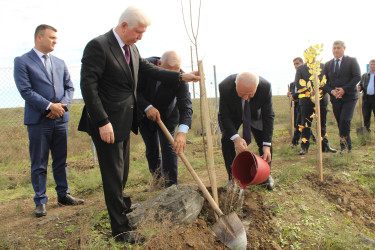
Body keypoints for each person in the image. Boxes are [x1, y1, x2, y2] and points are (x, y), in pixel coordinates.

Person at [78, 6, 200, 242]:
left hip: (123, 122)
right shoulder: (99, 46)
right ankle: (121, 230)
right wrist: (102, 121)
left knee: (122, 172)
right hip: (107, 124)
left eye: (143, 33)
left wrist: (181, 76)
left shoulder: (131, 48)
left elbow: (148, 69)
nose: (141, 37)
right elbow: (88, 86)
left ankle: (122, 207)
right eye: (138, 31)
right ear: (124, 26)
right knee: (113, 176)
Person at [13, 24, 84, 218]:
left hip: (61, 119)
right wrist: (48, 106)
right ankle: (41, 201)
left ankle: (64, 195)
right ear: (39, 37)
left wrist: (61, 106)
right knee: (39, 162)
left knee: (61, 160)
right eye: (52, 37)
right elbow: (25, 91)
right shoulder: (22, 61)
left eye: (56, 38)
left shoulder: (60, 62)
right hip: (39, 121)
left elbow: (70, 88)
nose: (55, 41)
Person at [137, 51, 192, 188]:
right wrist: (147, 107)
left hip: (168, 116)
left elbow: (185, 106)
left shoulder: (181, 78)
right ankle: (158, 180)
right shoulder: (144, 67)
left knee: (169, 148)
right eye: (169, 72)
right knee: (152, 148)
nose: (173, 77)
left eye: (177, 72)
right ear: (159, 64)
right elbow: (132, 91)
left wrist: (182, 132)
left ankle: (171, 185)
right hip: (144, 113)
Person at [218, 72, 275, 190]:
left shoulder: (265, 87)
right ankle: (232, 178)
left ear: (257, 87)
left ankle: (265, 175)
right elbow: (224, 115)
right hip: (232, 115)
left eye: (250, 94)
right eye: (241, 94)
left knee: (264, 140)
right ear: (235, 85)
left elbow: (268, 116)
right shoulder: (225, 86)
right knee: (226, 140)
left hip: (254, 114)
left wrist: (267, 145)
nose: (245, 98)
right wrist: (236, 138)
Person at [322, 41, 361, 153]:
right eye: (334, 48)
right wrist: (332, 91)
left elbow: (357, 77)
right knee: (340, 122)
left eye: (338, 48)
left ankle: (344, 147)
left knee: (345, 120)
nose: (336, 50)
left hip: (349, 97)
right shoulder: (328, 64)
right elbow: (323, 82)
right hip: (335, 98)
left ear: (344, 48)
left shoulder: (352, 61)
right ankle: (346, 145)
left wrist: (344, 89)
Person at [295, 56, 337, 155]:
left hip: (321, 100)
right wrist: (310, 92)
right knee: (305, 124)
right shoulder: (301, 68)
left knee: (322, 124)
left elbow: (328, 82)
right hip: (306, 101)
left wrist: (319, 92)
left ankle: (325, 146)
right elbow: (298, 83)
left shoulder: (323, 66)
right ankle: (304, 147)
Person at [288, 57, 303, 147]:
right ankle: (313, 138)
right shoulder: (293, 82)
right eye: (294, 64)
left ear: (302, 63)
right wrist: (291, 95)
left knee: (299, 122)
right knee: (299, 122)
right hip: (296, 104)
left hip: (303, 102)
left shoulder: (304, 75)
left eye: (297, 63)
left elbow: (304, 89)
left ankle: (294, 142)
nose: (296, 65)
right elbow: (293, 92)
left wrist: (295, 96)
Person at [358, 59, 375, 132]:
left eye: (374, 64)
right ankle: (366, 131)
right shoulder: (365, 75)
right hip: (366, 98)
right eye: (371, 64)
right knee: (366, 115)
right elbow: (361, 84)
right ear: (369, 65)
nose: (372, 66)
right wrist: (359, 87)